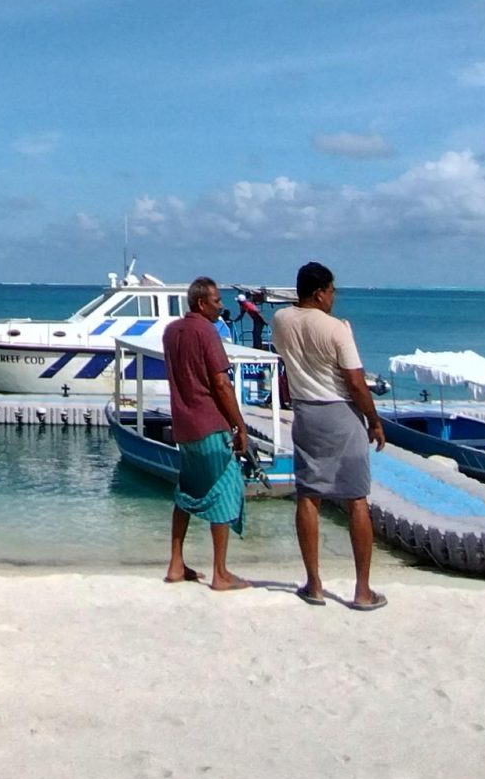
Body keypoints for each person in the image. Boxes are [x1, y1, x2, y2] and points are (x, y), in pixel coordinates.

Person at [271, 261, 386, 610]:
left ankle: (314, 584)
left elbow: (284, 357)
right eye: (333, 291)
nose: (334, 297)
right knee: (356, 499)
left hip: (306, 411)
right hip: (340, 412)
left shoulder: (281, 320)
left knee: (309, 495)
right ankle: (362, 590)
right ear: (321, 293)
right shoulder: (336, 328)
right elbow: (355, 381)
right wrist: (375, 420)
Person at [162, 276, 253, 591]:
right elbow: (221, 383)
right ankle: (221, 573)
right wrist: (240, 426)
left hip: (184, 426)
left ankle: (176, 563)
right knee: (227, 488)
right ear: (201, 303)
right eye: (217, 301)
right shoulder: (207, 332)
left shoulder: (171, 332)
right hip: (209, 423)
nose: (221, 306)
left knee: (186, 491)